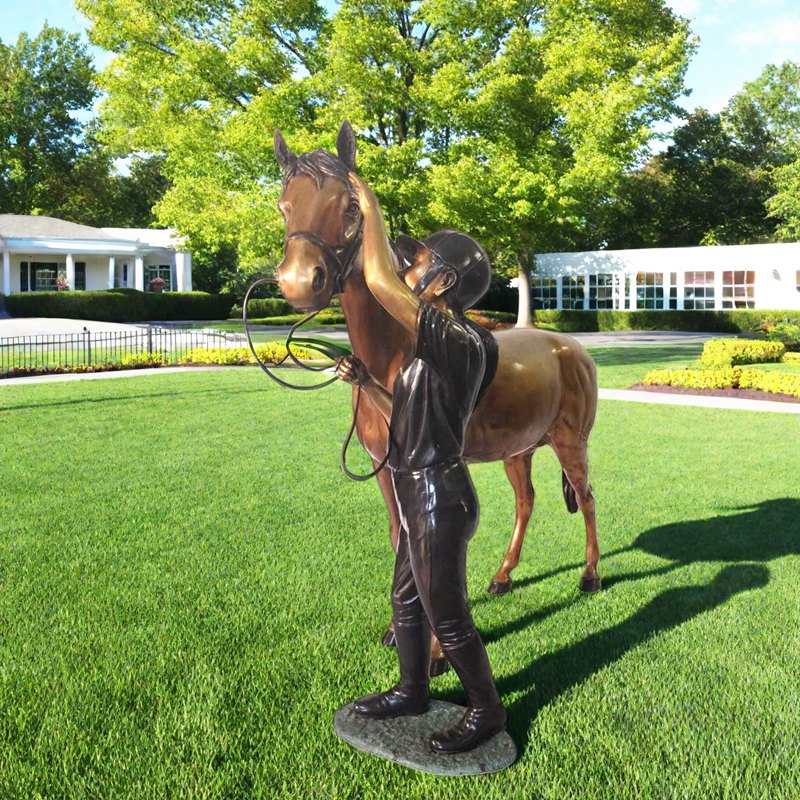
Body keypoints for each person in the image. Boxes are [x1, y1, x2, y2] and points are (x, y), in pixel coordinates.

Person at [335, 173, 505, 754]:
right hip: (418, 490)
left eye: (421, 263)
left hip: (439, 496)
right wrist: (366, 384)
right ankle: (412, 691)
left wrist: (369, 206)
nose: (410, 270)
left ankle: (486, 710)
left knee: (448, 617)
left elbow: (380, 281)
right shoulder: (432, 348)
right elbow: (408, 419)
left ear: (445, 281)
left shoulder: (458, 337)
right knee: (406, 601)